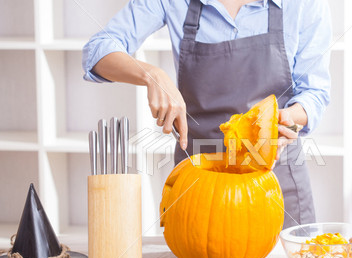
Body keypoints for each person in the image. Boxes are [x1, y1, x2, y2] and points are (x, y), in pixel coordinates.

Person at [82, 0, 332, 228]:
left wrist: (288, 118)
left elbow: (314, 92)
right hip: (199, 190)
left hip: (276, 183)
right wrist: (151, 75)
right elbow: (97, 50)